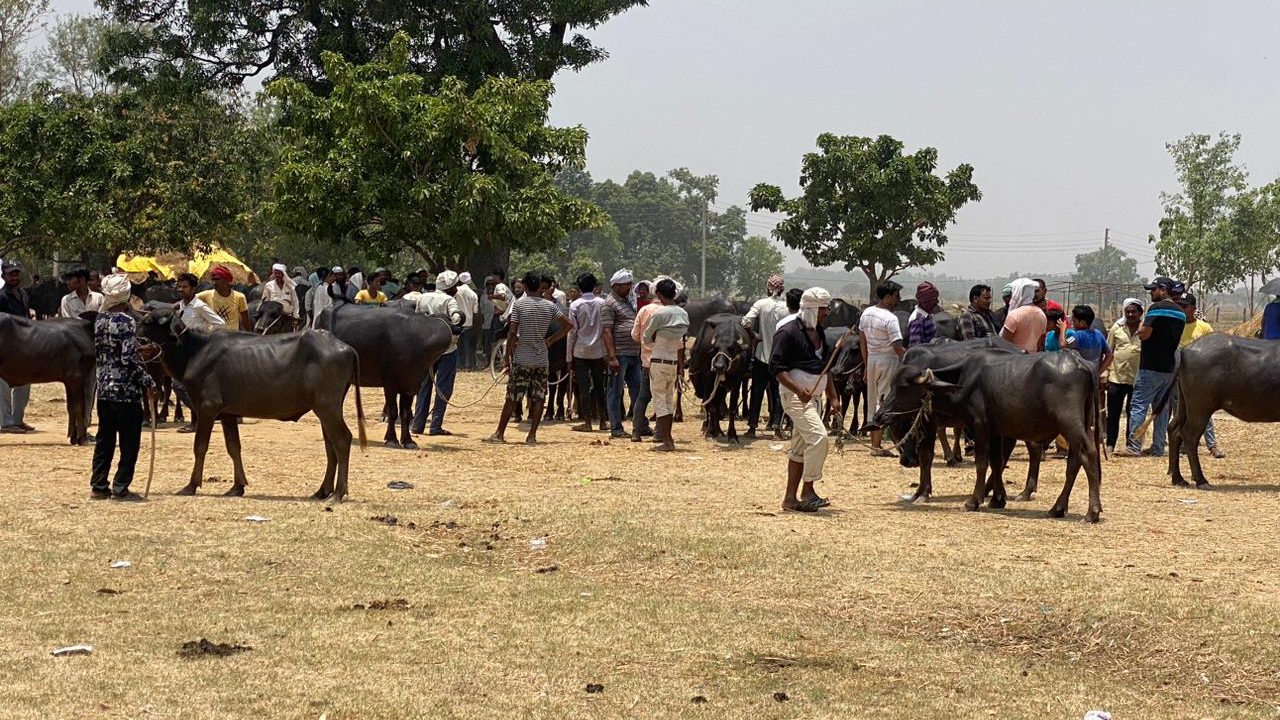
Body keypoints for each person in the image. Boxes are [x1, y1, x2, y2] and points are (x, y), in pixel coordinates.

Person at [90, 272, 156, 501]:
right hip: (126, 393)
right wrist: (148, 381)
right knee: (129, 443)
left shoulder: (99, 321)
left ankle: (99, 486)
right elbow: (127, 359)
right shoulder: (126, 322)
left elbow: (106, 353)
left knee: (104, 440)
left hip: (105, 391)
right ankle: (120, 487)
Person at [485, 271, 571, 445]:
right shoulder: (550, 306)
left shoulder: (519, 305)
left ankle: (499, 433)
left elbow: (511, 332)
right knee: (539, 397)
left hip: (522, 358)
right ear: (539, 286)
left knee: (512, 397)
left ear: (524, 286)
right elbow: (569, 325)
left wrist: (507, 358)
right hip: (542, 360)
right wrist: (551, 340)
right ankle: (532, 435)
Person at [772, 287, 838, 512]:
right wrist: (799, 390)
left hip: (815, 398)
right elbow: (777, 368)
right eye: (823, 309)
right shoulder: (788, 332)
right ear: (811, 308)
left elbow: (825, 367)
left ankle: (790, 500)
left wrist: (833, 396)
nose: (827, 312)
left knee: (800, 449)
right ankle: (808, 490)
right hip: (795, 398)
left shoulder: (820, 333)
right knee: (819, 439)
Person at [1122, 276, 1185, 457]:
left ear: (1163, 289)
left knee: (1139, 405)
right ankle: (1158, 447)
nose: (1151, 292)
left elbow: (1144, 334)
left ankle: (1133, 446)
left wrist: (1141, 329)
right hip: (1169, 366)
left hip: (1150, 365)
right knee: (1161, 408)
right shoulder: (1180, 311)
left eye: (1153, 289)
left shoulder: (1157, 308)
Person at [413, 271, 465, 436]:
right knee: (444, 387)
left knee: (423, 386)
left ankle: (417, 424)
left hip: (424, 349)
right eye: (455, 285)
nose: (457, 289)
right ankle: (435, 425)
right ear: (450, 287)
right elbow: (456, 318)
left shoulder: (423, 298)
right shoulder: (449, 301)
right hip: (447, 348)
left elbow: (415, 319)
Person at [1175, 293, 1225, 458]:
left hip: (1200, 376)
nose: (1181, 310)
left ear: (1193, 308)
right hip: (1178, 372)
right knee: (1179, 411)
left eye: (1184, 307)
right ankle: (1181, 445)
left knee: (1203, 411)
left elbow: (1214, 349)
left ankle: (1212, 445)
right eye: (1179, 306)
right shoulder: (1175, 326)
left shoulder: (1204, 327)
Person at [859, 280, 906, 456]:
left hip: (872, 360)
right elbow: (897, 347)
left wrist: (865, 364)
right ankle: (877, 446)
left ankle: (874, 444)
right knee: (885, 401)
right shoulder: (891, 318)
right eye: (896, 296)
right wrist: (910, 360)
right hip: (888, 360)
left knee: (872, 401)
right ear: (886, 297)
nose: (898, 299)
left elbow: (862, 339)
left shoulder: (867, 313)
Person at [642, 278, 688, 452]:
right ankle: (668, 437)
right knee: (669, 400)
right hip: (673, 362)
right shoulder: (683, 314)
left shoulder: (659, 314)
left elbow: (646, 337)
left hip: (659, 360)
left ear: (660, 295)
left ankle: (666, 439)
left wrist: (656, 336)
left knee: (660, 402)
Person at [741, 274, 788, 438]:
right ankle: (777, 428)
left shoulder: (761, 304)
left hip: (761, 356)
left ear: (768, 288)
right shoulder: (788, 307)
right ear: (782, 289)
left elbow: (745, 321)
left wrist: (753, 335)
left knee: (757, 392)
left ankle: (752, 427)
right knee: (778, 394)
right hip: (780, 358)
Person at [629, 277, 672, 442]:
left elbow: (634, 336)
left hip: (647, 361)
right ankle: (660, 433)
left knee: (643, 397)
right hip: (667, 360)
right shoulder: (671, 312)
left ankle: (636, 432)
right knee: (664, 397)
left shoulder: (644, 310)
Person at [601, 268, 642, 439]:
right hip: (619, 354)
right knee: (615, 391)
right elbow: (606, 331)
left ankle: (641, 424)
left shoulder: (628, 302)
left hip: (634, 353)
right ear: (616, 286)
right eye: (626, 285)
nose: (630, 288)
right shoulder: (609, 304)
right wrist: (612, 357)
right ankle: (616, 427)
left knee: (638, 389)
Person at [568, 273, 607, 432]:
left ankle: (588, 422)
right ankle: (603, 421)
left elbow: (572, 332)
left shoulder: (574, 305)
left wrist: (568, 357)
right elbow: (606, 329)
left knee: (583, 388)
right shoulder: (602, 303)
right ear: (594, 286)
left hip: (580, 352)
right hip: (598, 351)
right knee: (600, 386)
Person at [1105, 298, 1143, 453]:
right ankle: (1110, 444)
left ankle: (1131, 444)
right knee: (1113, 413)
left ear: (1140, 312)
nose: (1130, 314)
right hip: (1116, 377)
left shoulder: (1145, 329)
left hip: (1137, 378)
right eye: (1128, 311)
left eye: (1134, 311)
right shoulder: (1117, 328)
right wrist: (1106, 373)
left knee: (1133, 413)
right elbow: (1108, 351)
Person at [0, 261, 33, 434]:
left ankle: (17, 419)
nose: (14, 277)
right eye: (11, 274)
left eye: (16, 273)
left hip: (23, 345)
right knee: (3, 384)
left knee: (24, 383)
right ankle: (5, 422)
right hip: (5, 348)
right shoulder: (1, 296)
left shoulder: (23, 294)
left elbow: (26, 317)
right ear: (3, 276)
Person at [999, 278, 1046, 353]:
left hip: (1016, 360)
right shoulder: (1041, 314)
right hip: (1033, 359)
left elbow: (1005, 345)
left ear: (1017, 293)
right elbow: (1041, 343)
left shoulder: (1014, 315)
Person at [197, 266, 250, 331]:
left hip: (232, 337)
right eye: (213, 279)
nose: (214, 283)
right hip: (214, 336)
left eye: (217, 279)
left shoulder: (240, 297)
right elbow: (190, 301)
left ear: (226, 280)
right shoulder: (205, 295)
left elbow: (246, 321)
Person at [455, 272, 481, 370]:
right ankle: (467, 364)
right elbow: (475, 311)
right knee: (467, 345)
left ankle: (458, 365)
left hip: (457, 321)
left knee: (457, 345)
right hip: (469, 323)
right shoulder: (473, 294)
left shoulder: (455, 291)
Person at [906, 281, 941, 346]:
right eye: (934, 299)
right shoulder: (917, 320)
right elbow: (915, 349)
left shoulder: (927, 316)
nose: (937, 302)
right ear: (925, 302)